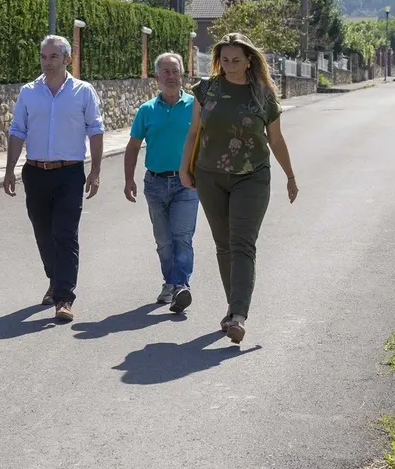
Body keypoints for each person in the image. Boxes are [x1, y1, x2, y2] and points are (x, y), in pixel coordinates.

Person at [179, 33, 298, 344]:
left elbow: (276, 140)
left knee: (242, 243)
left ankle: (239, 316)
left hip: (252, 176)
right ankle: (233, 309)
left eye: (236, 60)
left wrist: (290, 176)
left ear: (249, 61)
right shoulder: (206, 90)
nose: (230, 66)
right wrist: (184, 168)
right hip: (210, 176)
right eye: (225, 59)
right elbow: (194, 133)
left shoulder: (263, 95)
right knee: (223, 245)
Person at [3, 35, 104, 322]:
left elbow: (95, 131)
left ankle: (64, 298)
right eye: (43, 57)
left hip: (69, 173)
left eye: (53, 57)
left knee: (65, 234)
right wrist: (10, 169)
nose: (47, 62)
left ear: (67, 59)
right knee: (43, 233)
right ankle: (55, 278)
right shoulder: (28, 92)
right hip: (35, 172)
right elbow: (17, 131)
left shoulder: (83, 92)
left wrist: (95, 171)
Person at [124, 52, 198, 313]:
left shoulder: (195, 106)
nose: (170, 76)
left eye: (174, 71)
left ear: (182, 75)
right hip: (155, 183)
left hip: (186, 183)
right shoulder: (146, 111)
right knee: (164, 241)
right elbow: (133, 146)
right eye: (165, 72)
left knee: (182, 237)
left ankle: (180, 286)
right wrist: (128, 179)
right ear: (156, 77)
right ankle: (170, 283)